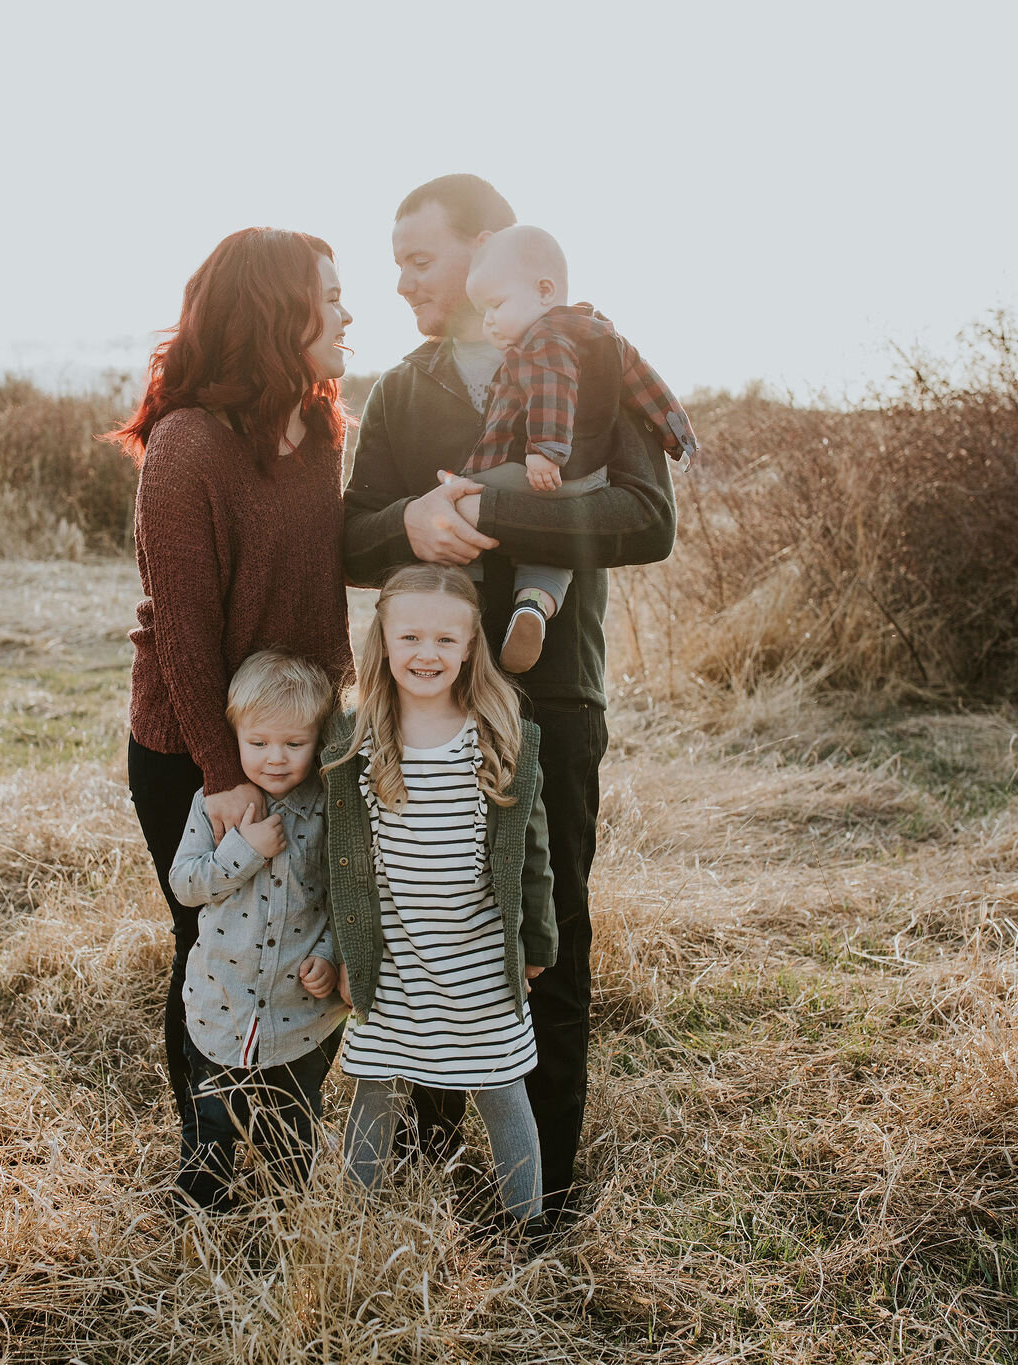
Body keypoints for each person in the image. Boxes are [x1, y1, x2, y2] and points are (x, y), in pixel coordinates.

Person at [342, 174, 678, 1226]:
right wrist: (412, 524)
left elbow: (644, 520)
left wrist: (484, 510)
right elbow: (348, 538)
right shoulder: (403, 390)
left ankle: (548, 1196)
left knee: (545, 936)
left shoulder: (595, 357)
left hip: (549, 702)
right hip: (421, 711)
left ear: (485, 250)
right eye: (393, 262)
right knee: (431, 927)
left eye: (419, 259)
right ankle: (445, 1173)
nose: (400, 280)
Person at [109, 227, 356, 1135]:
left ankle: (285, 1133)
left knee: (306, 932)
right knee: (210, 940)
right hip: (196, 750)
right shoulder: (188, 445)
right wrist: (224, 777)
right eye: (328, 297)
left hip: (306, 736)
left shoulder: (324, 426)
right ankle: (209, 1158)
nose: (346, 312)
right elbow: (180, 630)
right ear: (273, 312)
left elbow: (323, 591)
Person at [320, 563, 555, 1229]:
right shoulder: (356, 740)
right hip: (392, 959)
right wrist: (346, 953)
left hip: (478, 958)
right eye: (411, 638)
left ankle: (528, 1227)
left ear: (472, 645)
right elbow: (342, 867)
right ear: (384, 641)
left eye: (447, 641)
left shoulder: (497, 736)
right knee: (374, 1087)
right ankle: (356, 1225)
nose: (428, 654)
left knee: (503, 1090)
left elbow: (532, 858)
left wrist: (536, 945)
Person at [460, 225, 702, 672]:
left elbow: (554, 386)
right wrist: (679, 440)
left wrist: (544, 450)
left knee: (458, 501)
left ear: (544, 291)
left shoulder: (543, 337)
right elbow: (649, 389)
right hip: (587, 481)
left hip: (533, 469)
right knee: (549, 548)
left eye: (495, 306)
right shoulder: (604, 335)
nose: (488, 321)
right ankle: (533, 604)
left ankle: (464, 599)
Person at [167, 651, 347, 1210]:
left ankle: (289, 1219)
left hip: (299, 1011)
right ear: (235, 735)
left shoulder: (328, 809)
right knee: (212, 1121)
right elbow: (185, 884)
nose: (275, 759)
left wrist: (330, 954)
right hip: (220, 1001)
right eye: (259, 742)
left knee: (291, 1127)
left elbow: (345, 899)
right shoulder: (212, 805)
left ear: (318, 739)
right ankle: (200, 1211)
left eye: (294, 744)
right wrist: (241, 852)